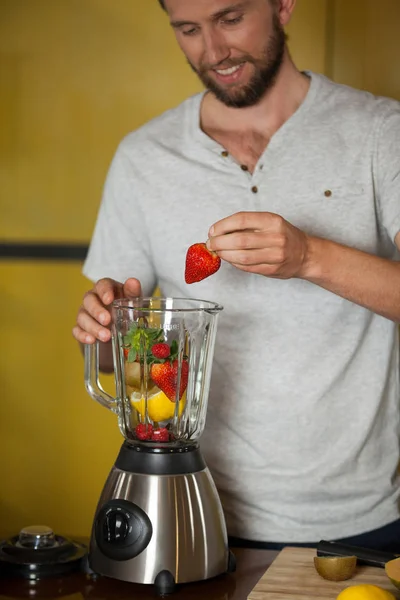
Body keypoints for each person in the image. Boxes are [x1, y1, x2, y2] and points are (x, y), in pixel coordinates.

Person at [73, 0, 400, 551]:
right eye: (188, 29)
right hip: (192, 512)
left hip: (364, 518)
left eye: (230, 19)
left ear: (282, 6)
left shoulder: (381, 132)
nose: (213, 52)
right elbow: (115, 357)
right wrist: (104, 331)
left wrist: (309, 257)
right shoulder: (142, 156)